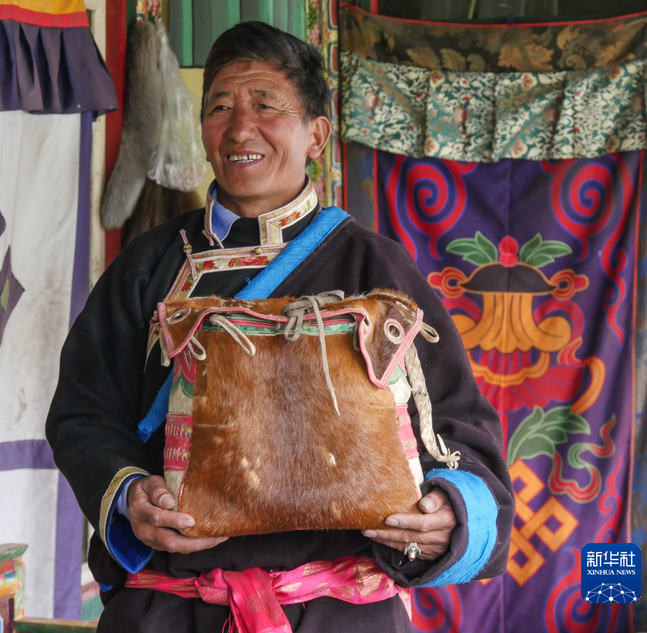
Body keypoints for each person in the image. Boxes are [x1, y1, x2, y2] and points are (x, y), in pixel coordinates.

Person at [46, 21, 513, 633]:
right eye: (220, 107)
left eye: (266, 106)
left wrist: (449, 509)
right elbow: (84, 413)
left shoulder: (374, 267)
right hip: (169, 609)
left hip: (343, 614)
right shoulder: (149, 264)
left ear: (315, 134)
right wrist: (131, 492)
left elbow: (456, 424)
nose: (241, 128)